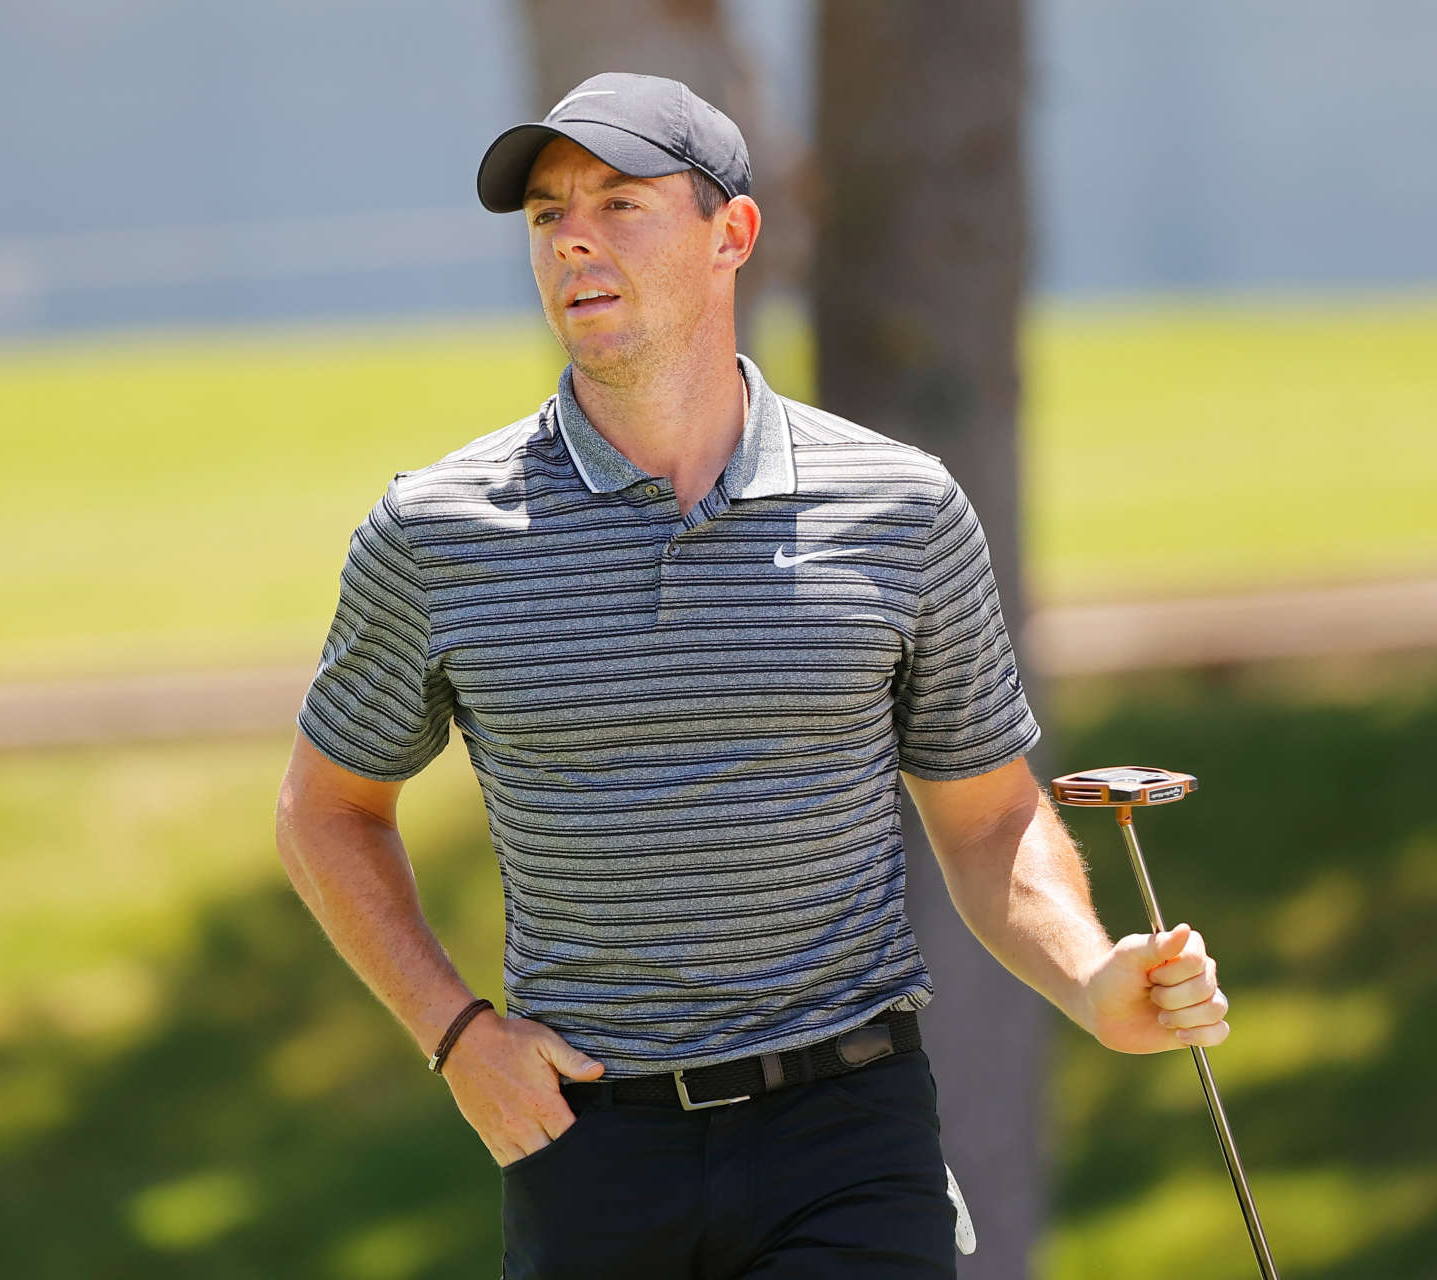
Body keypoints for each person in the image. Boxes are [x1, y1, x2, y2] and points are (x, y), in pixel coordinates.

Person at [275, 72, 1230, 1279]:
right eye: (546, 213)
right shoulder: (436, 530)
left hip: (848, 1129)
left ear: (733, 233)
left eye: (621, 202)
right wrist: (456, 1032)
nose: (572, 234)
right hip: (590, 1144)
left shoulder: (901, 507)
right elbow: (326, 809)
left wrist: (1094, 975)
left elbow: (990, 816)